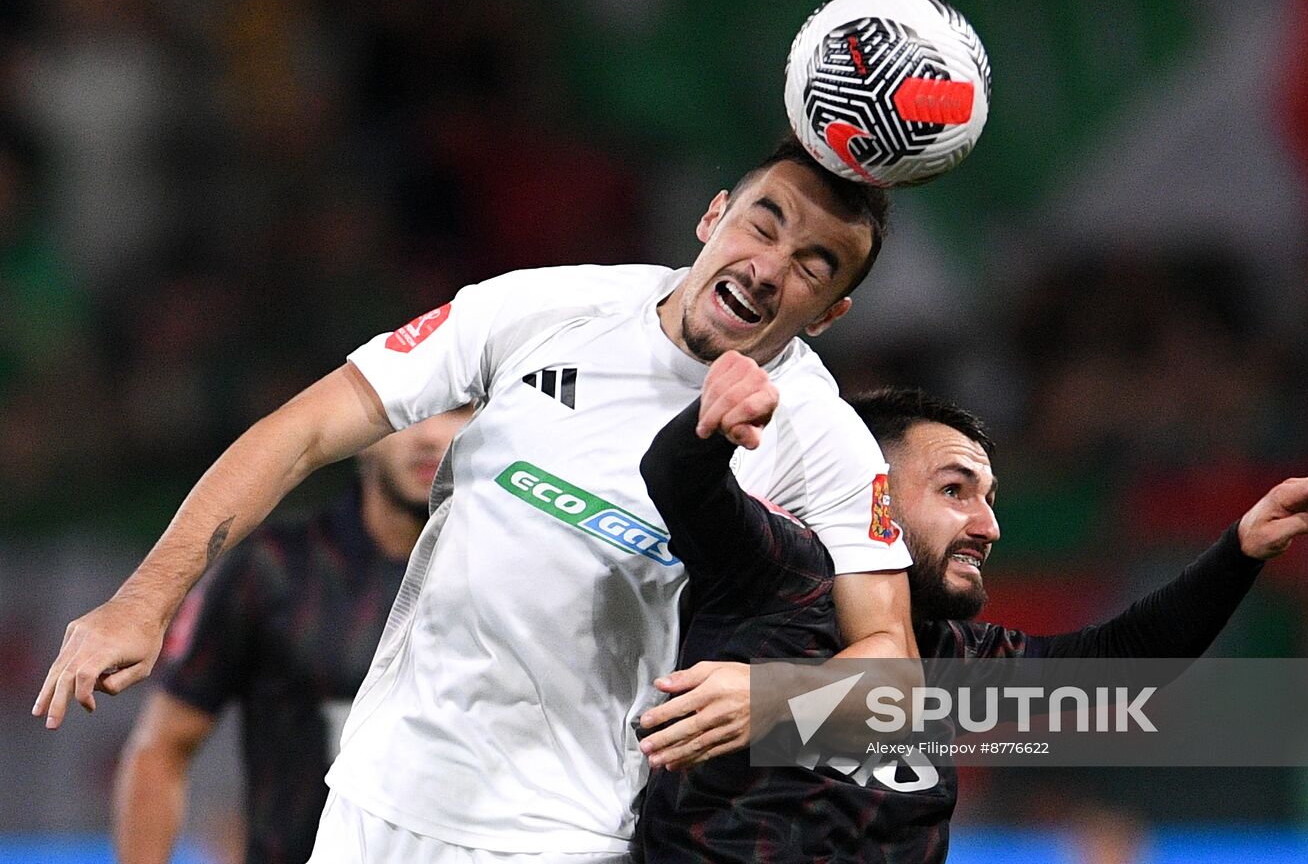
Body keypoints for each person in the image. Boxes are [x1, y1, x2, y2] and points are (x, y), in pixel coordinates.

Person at [35, 135, 917, 861]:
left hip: (568, 837)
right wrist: (144, 599)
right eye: (764, 224)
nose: (769, 267)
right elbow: (301, 431)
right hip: (371, 808)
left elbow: (898, 676)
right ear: (713, 214)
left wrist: (771, 701)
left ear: (830, 312)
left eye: (812, 265)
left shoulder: (823, 438)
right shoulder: (544, 307)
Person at [635, 382, 1308, 862]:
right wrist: (712, 422)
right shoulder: (771, 577)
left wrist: (1239, 549)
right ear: (870, 493)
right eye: (956, 489)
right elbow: (679, 481)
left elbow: (1119, 660)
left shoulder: (953, 658)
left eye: (990, 498)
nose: (987, 523)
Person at [109, 408, 471, 864]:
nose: (432, 435)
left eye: (459, 411)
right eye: (416, 410)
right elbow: (160, 748)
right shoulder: (271, 570)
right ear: (365, 431)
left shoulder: (519, 580)